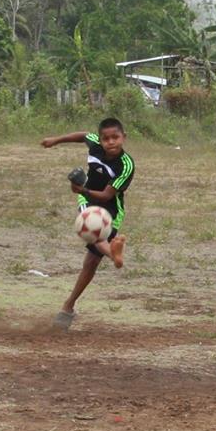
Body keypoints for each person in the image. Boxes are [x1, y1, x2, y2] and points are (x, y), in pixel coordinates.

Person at [40, 118, 135, 330]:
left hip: (111, 207)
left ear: (124, 137)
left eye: (115, 137)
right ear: (100, 140)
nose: (111, 142)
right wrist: (56, 140)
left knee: (91, 262)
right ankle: (113, 256)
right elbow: (83, 135)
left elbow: (107, 195)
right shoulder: (94, 144)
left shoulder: (126, 165)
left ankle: (68, 306)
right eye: (106, 138)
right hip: (88, 202)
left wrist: (80, 189)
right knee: (94, 234)